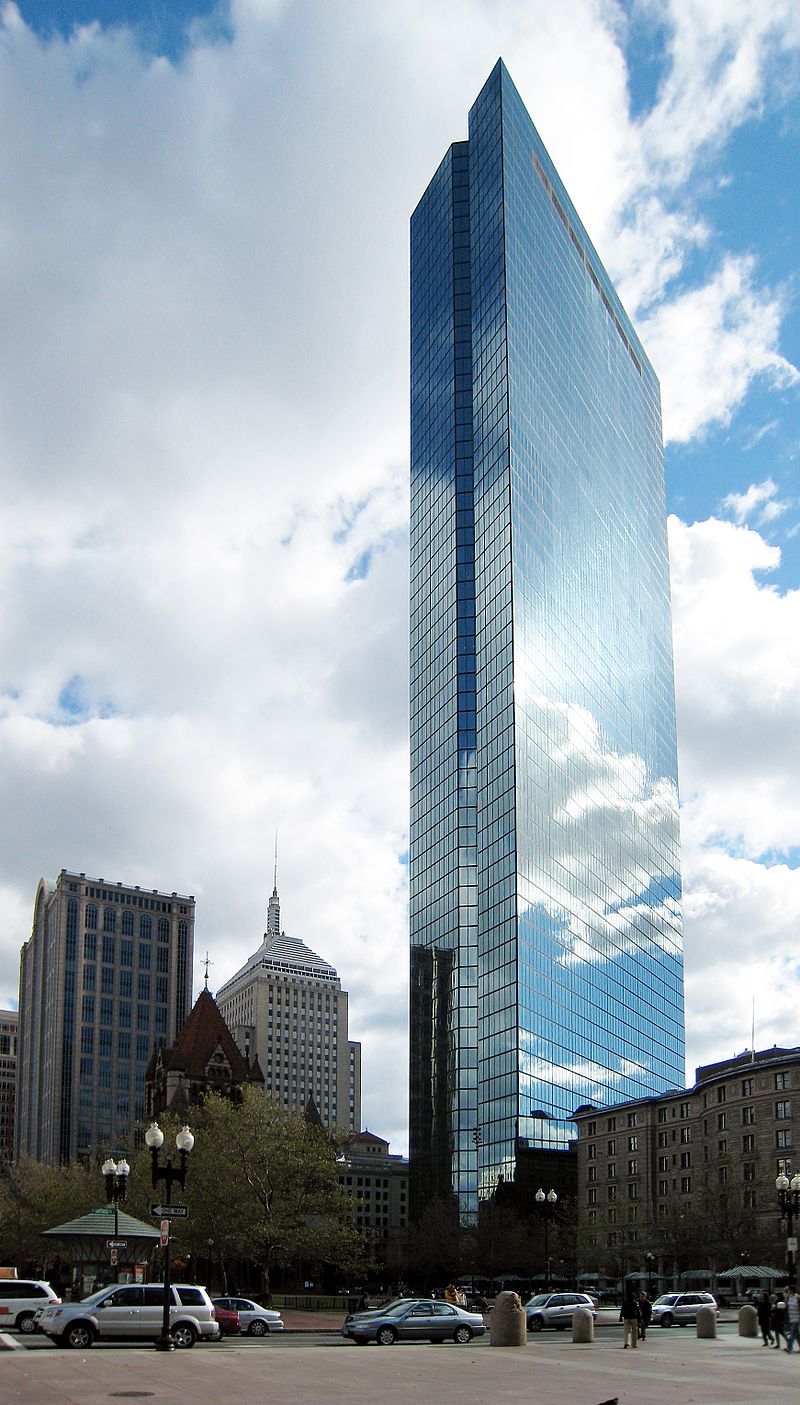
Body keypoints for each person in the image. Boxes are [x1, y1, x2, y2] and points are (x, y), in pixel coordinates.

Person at [620, 1284, 640, 1349]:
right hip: (634, 1318)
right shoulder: (635, 1303)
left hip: (626, 1318)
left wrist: (620, 1317)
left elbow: (622, 1310)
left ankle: (626, 1342)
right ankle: (634, 1344)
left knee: (626, 1331)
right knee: (634, 1331)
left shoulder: (625, 1302)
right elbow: (638, 1312)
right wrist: (639, 1320)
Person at [785, 1286, 800, 1353]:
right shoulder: (789, 1297)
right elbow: (787, 1307)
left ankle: (789, 1348)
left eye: (787, 1290)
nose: (786, 1291)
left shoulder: (797, 1297)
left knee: (792, 1333)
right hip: (791, 1317)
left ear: (791, 1290)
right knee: (797, 1335)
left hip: (797, 1317)